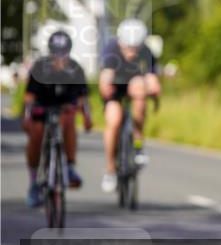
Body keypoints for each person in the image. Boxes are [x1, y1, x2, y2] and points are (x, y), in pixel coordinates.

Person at [22, 30, 93, 207]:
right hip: (42, 109)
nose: (60, 59)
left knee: (68, 120)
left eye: (64, 54)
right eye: (56, 54)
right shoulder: (39, 67)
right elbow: (29, 96)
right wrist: (26, 117)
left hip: (64, 109)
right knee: (36, 135)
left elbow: (83, 97)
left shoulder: (76, 69)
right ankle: (34, 182)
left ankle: (69, 165)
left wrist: (87, 117)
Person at [98, 18, 160, 193]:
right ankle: (110, 170)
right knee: (114, 121)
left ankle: (138, 146)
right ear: (120, 42)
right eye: (128, 48)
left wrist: (154, 90)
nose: (132, 53)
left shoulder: (146, 51)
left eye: (135, 48)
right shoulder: (111, 50)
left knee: (140, 91)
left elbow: (152, 78)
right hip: (114, 87)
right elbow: (105, 79)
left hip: (134, 84)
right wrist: (107, 88)